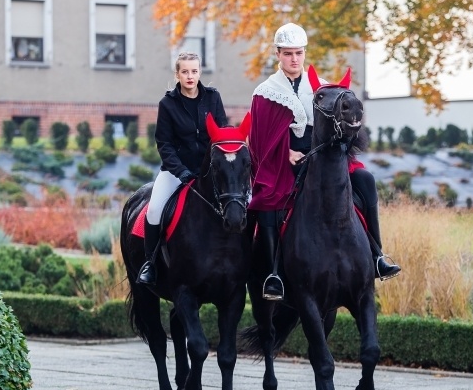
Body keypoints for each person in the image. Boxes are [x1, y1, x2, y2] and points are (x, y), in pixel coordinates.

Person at [249, 22, 401, 300]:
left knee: (365, 179)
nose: (294, 59)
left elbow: (336, 125)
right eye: (288, 54)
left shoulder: (320, 89)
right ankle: (274, 274)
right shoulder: (264, 92)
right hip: (284, 165)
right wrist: (286, 154)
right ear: (278, 55)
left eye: (299, 53)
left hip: (323, 159)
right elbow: (258, 140)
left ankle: (377, 255)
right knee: (268, 200)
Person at [136, 51, 228, 286]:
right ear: (177, 74)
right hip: (175, 172)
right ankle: (150, 263)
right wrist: (182, 172)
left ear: (200, 73)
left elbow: (222, 133)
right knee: (155, 209)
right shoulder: (167, 104)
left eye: (194, 71)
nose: (190, 76)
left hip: (209, 172)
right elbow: (164, 144)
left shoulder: (213, 98)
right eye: (185, 72)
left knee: (239, 204)